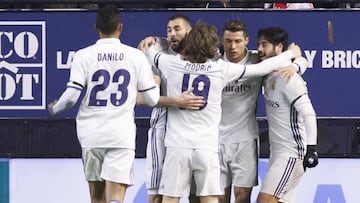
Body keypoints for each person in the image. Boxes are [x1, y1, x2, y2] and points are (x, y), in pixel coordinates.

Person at [144, 22, 302, 203]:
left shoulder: (171, 64)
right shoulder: (220, 68)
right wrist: (291, 54)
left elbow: (149, 53)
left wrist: (156, 41)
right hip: (209, 146)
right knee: (212, 198)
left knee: (171, 198)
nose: (231, 46)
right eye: (225, 41)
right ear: (216, 44)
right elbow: (260, 69)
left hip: (181, 145)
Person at [47, 5, 160, 203]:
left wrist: (55, 107)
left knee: (96, 198)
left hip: (91, 134)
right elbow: (151, 99)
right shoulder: (136, 57)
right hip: (120, 135)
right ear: (121, 28)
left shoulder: (83, 55)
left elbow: (72, 96)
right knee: (115, 198)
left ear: (96, 27)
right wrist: (156, 81)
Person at [218, 20, 308, 203]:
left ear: (245, 40)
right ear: (222, 40)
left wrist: (296, 64)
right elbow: (185, 48)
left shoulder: (256, 59)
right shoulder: (216, 62)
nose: (232, 46)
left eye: (237, 41)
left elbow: (300, 57)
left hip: (245, 140)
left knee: (243, 197)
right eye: (228, 41)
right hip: (216, 140)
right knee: (219, 198)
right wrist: (156, 39)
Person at [138, 14, 203, 203]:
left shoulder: (203, 55)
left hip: (193, 132)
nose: (172, 34)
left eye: (177, 29)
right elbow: (143, 99)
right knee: (158, 196)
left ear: (189, 32)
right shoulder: (159, 54)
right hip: (163, 132)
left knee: (197, 195)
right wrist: (176, 101)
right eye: (169, 30)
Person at [256, 27, 318, 203]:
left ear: (279, 47)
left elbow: (309, 114)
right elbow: (302, 60)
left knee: (265, 200)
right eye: (258, 44)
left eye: (264, 44)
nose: (260, 49)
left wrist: (312, 149)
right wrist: (297, 63)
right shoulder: (267, 71)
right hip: (277, 152)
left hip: (292, 153)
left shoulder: (290, 78)